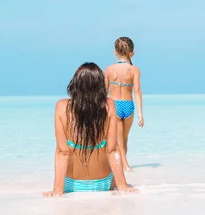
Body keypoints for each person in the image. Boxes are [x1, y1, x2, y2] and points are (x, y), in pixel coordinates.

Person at [43, 62, 136, 196]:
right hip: (104, 183)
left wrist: (57, 190)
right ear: (100, 86)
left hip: (70, 183)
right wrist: (122, 186)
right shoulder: (109, 105)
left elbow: (62, 152)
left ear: (75, 84)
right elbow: (113, 149)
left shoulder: (61, 107)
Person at [104, 37, 144, 171]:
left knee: (119, 139)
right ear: (132, 53)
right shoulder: (134, 70)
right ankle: (123, 164)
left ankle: (124, 164)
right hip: (128, 105)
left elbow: (104, 92)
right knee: (124, 139)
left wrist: (102, 109)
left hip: (114, 105)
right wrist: (140, 113)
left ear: (115, 52)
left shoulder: (109, 69)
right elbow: (137, 91)